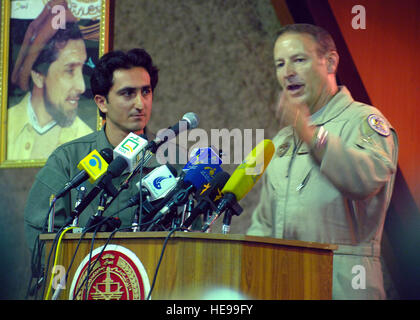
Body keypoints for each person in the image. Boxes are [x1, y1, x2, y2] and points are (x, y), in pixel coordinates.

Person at [247, 24, 398, 299]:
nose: (287, 72)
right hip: (286, 285)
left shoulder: (362, 120)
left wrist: (311, 135)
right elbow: (264, 223)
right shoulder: (283, 140)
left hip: (345, 284)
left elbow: (363, 180)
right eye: (279, 64)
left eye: (299, 60)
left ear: (330, 62)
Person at [24, 48, 166, 253]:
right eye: (128, 93)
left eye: (146, 91)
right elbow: (40, 233)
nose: (140, 103)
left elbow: (192, 236)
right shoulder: (68, 160)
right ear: (101, 102)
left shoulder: (171, 161)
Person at [8, 1, 93, 160]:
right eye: (70, 70)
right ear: (38, 76)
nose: (82, 86)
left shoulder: (88, 139)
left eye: (82, 69)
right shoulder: (6, 125)